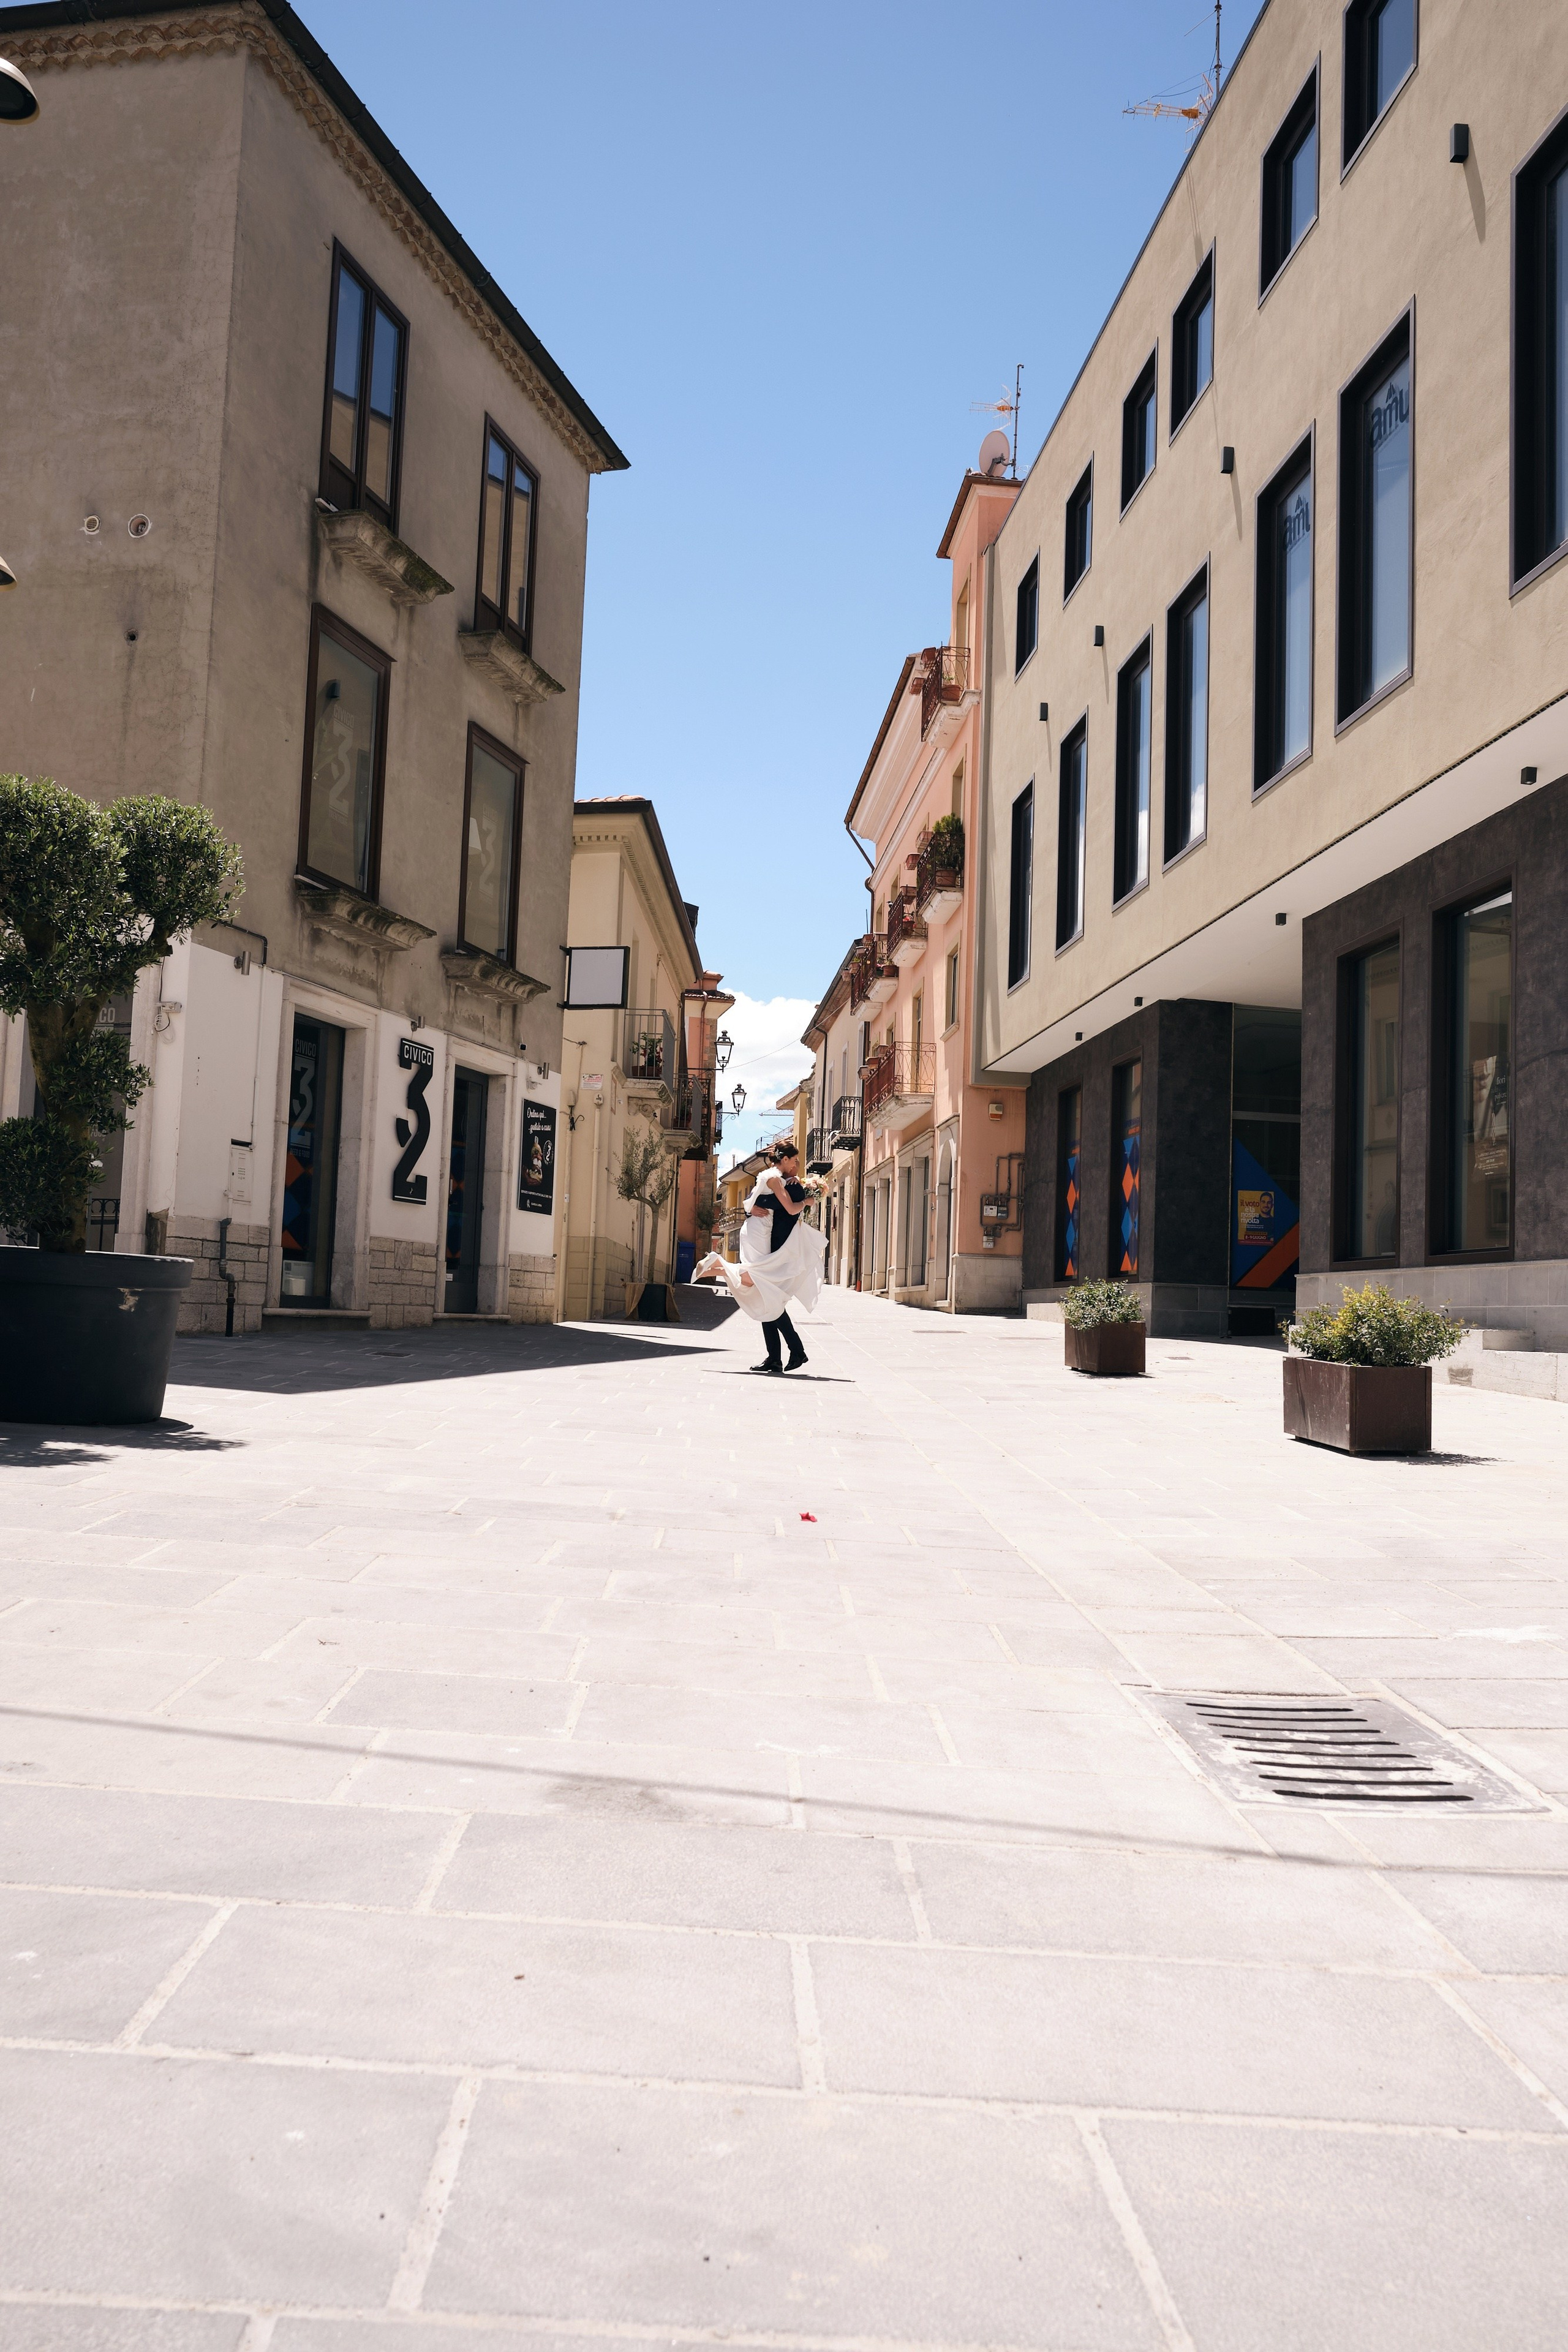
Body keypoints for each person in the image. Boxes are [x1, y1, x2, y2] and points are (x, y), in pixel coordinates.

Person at [692, 1141, 825, 1373]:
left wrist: (794, 1185)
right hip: (761, 1233)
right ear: (784, 1160)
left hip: (756, 1229)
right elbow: (792, 1209)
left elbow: (749, 1202)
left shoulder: (771, 1176)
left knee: (764, 1290)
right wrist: (807, 1201)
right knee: (763, 1284)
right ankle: (720, 1265)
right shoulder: (774, 1177)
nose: (796, 1166)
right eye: (794, 1162)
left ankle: (776, 1357)